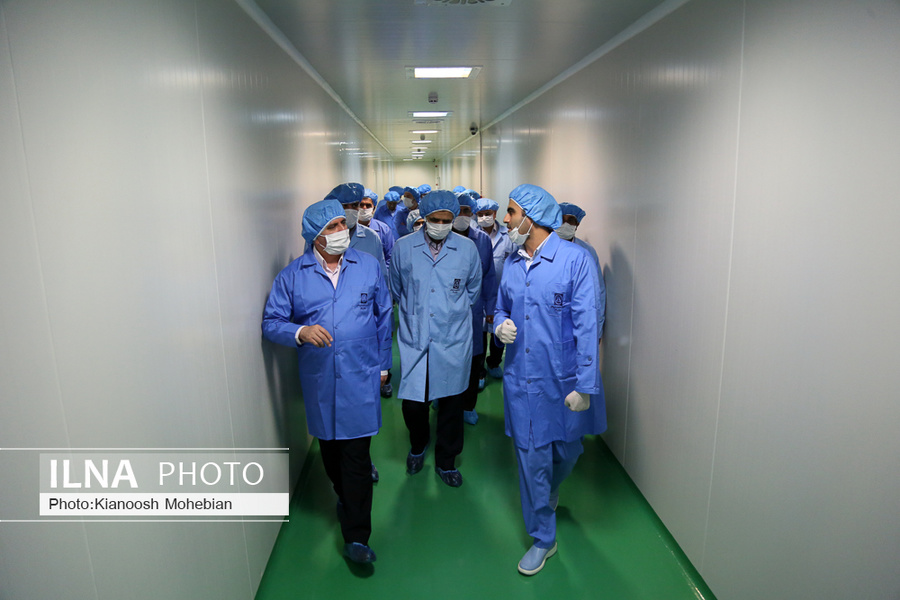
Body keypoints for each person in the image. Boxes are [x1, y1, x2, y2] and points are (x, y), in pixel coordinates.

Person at [262, 198, 392, 565]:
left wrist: (383, 365)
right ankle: (345, 496)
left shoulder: (367, 266)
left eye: (341, 224)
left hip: (360, 375)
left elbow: (383, 315)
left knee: (356, 458)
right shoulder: (293, 276)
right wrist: (300, 332)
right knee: (333, 457)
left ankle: (357, 536)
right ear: (315, 236)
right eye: (332, 227)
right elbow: (271, 322)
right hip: (321, 380)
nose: (341, 231)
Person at [494, 184, 606, 576]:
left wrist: (585, 386)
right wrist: (499, 326)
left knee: (568, 451)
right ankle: (544, 537)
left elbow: (587, 324)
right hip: (521, 379)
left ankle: (549, 488)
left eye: (511, 211)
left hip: (564, 379)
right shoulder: (512, 263)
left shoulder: (575, 260)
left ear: (531, 217)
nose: (505, 218)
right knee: (531, 458)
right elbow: (500, 307)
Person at [389, 190, 481, 488]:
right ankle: (418, 445)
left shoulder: (467, 249)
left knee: (452, 403)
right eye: (434, 219)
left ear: (453, 220)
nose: (440, 225)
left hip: (453, 337)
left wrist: (448, 311)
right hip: (415, 336)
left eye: (446, 220)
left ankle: (446, 461)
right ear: (424, 217)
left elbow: (473, 289)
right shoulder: (404, 247)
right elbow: (397, 288)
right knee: (414, 404)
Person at [453, 191, 496, 424]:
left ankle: (468, 405)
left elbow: (488, 276)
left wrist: (491, 308)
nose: (462, 215)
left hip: (474, 312)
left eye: (466, 211)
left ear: (472, 213)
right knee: (448, 359)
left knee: (473, 360)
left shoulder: (482, 240)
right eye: (458, 211)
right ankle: (443, 398)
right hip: (446, 314)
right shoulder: (442, 238)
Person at [475, 197, 515, 380]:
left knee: (499, 329)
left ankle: (494, 362)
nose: (484, 217)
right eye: (480, 214)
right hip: (479, 294)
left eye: (488, 214)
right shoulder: (472, 235)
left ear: (495, 213)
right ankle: (479, 370)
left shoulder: (508, 236)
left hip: (502, 292)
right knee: (480, 332)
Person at [556, 202, 606, 339]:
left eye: (570, 220)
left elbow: (598, 292)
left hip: (578, 320)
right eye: (561, 219)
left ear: (577, 224)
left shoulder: (587, 252)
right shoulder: (544, 248)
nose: (565, 224)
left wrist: (597, 329)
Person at [361, 188, 394, 270]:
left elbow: (390, 257)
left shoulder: (384, 229)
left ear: (374, 208)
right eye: (361, 205)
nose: (364, 208)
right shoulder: (349, 228)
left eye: (368, 205)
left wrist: (383, 273)